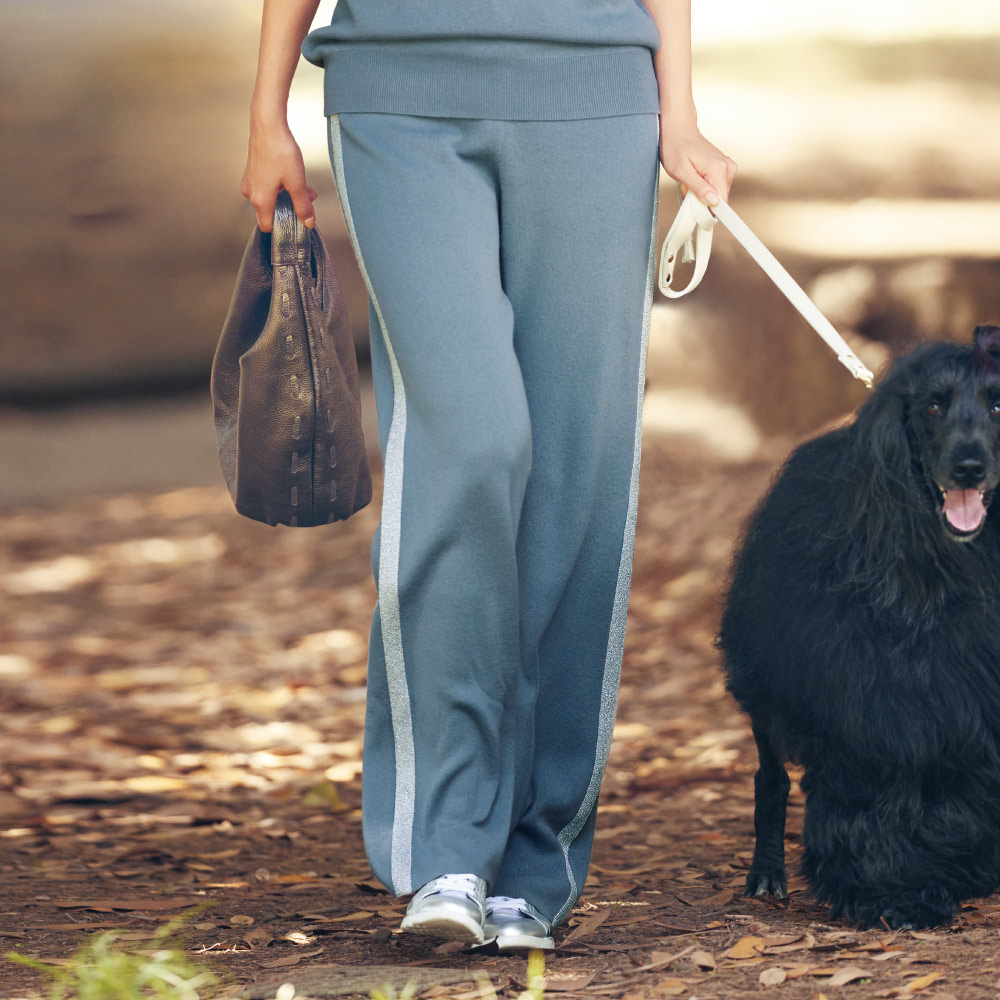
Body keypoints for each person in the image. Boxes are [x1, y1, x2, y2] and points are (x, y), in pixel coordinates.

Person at [242, 0, 736, 952]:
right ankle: (448, 848)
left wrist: (679, 111)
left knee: (573, 474)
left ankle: (537, 859)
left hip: (594, 97)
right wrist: (267, 114)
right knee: (469, 442)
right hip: (398, 93)